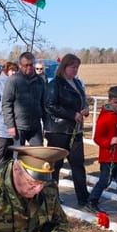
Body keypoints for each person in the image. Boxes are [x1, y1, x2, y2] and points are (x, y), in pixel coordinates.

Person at [86, 86, 117, 221]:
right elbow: (97, 137)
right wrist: (109, 142)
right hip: (109, 157)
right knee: (105, 180)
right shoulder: (106, 118)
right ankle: (92, 200)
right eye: (116, 102)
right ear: (110, 101)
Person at [44, 53, 90, 204]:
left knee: (78, 165)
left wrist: (85, 109)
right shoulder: (55, 84)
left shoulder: (77, 83)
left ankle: (83, 198)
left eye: (77, 67)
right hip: (58, 130)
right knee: (55, 166)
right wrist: (72, 114)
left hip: (75, 130)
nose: (76, 70)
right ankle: (53, 198)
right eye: (73, 67)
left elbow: (81, 101)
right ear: (64, 66)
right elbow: (50, 106)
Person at [3, 51, 44, 147]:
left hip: (35, 125)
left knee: (38, 154)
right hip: (18, 126)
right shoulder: (13, 80)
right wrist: (10, 125)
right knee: (17, 156)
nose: (29, 68)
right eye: (26, 65)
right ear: (20, 65)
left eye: (31, 65)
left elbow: (43, 103)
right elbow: (6, 103)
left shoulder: (40, 81)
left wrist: (46, 124)